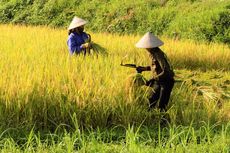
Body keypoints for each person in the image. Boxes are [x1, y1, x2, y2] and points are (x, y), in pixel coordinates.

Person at [135, 32, 175, 112]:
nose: (145, 48)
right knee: (151, 99)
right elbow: (155, 67)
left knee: (162, 104)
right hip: (159, 80)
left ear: (150, 46)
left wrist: (154, 78)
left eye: (146, 47)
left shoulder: (158, 54)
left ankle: (163, 121)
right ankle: (150, 118)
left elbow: (166, 70)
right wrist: (143, 68)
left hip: (166, 81)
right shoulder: (152, 53)